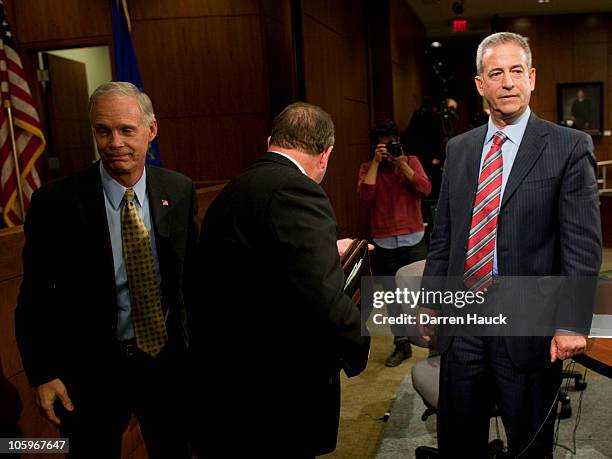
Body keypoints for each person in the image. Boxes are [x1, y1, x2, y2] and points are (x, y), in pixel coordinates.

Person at [422, 32, 601, 458]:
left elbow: (582, 244)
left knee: (529, 445)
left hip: (528, 324)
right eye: (496, 73)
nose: (507, 82)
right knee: (458, 442)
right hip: (462, 321)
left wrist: (572, 321)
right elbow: (445, 234)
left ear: (532, 78)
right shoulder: (461, 149)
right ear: (480, 84)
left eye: (516, 71)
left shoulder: (568, 146)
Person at [15, 82, 199, 458]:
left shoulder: (178, 190)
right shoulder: (56, 203)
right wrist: (43, 373)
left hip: (166, 364)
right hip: (90, 372)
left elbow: (192, 281)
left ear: (151, 130)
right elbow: (34, 298)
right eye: (103, 130)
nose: (114, 142)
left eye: (126, 130)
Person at [190, 102, 370, 457]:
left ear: (270, 140)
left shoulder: (236, 188)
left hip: (227, 380)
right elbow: (322, 300)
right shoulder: (298, 191)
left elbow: (259, 263)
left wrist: (323, 252)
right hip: (275, 390)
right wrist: (359, 342)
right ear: (326, 154)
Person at [358, 119, 431, 366]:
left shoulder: (410, 162)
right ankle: (401, 344)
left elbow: (425, 188)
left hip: (414, 237)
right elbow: (365, 194)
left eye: (392, 145)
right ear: (375, 148)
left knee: (425, 293)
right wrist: (377, 163)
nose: (388, 149)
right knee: (392, 296)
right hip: (384, 241)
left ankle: (432, 338)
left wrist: (401, 163)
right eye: (383, 147)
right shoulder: (368, 167)